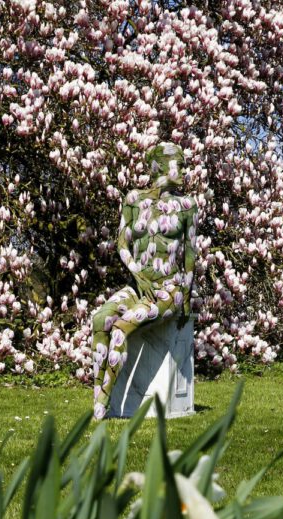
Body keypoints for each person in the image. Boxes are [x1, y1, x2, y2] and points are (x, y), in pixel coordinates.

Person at [91, 142, 197, 419]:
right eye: (181, 164)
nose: (186, 171)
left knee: (121, 328)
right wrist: (137, 273)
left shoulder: (186, 206)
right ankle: (101, 400)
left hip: (168, 289)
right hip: (139, 286)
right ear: (161, 167)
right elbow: (122, 242)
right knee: (100, 320)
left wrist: (184, 298)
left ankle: (104, 406)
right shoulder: (134, 199)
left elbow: (190, 252)